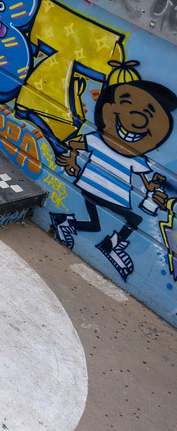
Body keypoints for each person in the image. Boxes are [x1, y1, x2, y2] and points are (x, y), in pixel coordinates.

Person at [51, 70, 177, 280]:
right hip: (95, 188)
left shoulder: (137, 159)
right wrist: (72, 159)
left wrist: (156, 194)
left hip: (109, 194)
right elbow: (74, 144)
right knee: (134, 218)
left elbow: (148, 182)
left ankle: (66, 221)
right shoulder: (97, 140)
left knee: (95, 224)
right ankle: (110, 246)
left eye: (150, 114)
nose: (137, 121)